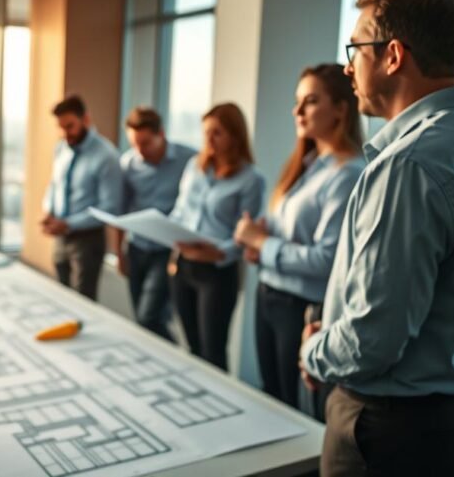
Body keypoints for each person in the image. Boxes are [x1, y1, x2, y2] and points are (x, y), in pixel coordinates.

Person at [298, 0, 454, 477]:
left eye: (355, 48)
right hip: (451, 418)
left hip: (387, 429)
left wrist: (315, 351)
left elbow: (372, 339)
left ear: (393, 55)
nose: (347, 64)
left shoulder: (411, 164)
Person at [234, 64, 363, 416]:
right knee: (272, 399)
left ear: (340, 108)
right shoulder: (308, 165)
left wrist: (263, 244)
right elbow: (292, 239)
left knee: (297, 414)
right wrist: (259, 243)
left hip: (301, 307)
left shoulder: (347, 173)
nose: (297, 111)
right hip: (270, 294)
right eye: (297, 101)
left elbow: (327, 260)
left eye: (310, 101)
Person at [170, 103, 264, 371]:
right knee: (191, 347)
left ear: (235, 136)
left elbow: (247, 233)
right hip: (183, 265)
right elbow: (180, 211)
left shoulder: (251, 179)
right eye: (206, 133)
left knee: (212, 352)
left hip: (216, 273)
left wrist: (219, 252)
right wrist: (169, 233)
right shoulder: (194, 167)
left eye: (217, 133)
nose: (208, 140)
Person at [117, 107, 196, 341]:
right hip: (137, 248)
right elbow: (121, 209)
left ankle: (173, 358)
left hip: (167, 250)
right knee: (141, 319)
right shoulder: (128, 163)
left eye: (145, 143)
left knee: (149, 317)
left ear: (161, 133)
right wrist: (120, 252)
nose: (140, 151)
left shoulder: (188, 160)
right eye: (134, 144)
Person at [40, 95, 122, 299]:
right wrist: (48, 210)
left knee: (83, 300)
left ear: (85, 119)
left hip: (88, 240)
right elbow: (54, 185)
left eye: (70, 126)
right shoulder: (61, 148)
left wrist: (68, 223)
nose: (65, 133)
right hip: (60, 236)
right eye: (61, 127)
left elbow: (109, 208)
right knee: (61, 295)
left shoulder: (106, 155)